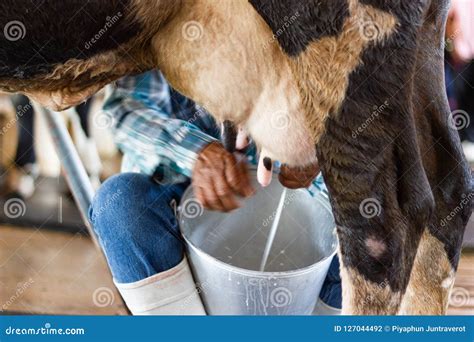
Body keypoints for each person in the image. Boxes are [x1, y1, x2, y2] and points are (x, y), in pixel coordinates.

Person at [89, 70, 341, 315]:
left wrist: (318, 154)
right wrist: (196, 152)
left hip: (287, 218)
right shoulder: (157, 30)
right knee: (118, 203)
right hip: (180, 205)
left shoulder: (304, 36)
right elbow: (126, 109)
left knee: (366, 223)